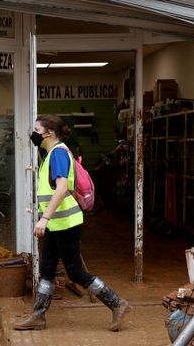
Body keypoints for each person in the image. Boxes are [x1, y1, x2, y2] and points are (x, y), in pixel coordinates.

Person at [15, 114, 131, 332]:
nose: (33, 133)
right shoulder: (51, 153)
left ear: (48, 133)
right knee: (47, 270)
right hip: (56, 224)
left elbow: (60, 189)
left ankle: (117, 304)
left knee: (76, 273)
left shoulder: (58, 154)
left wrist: (44, 218)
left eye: (36, 129)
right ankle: (38, 316)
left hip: (66, 223)